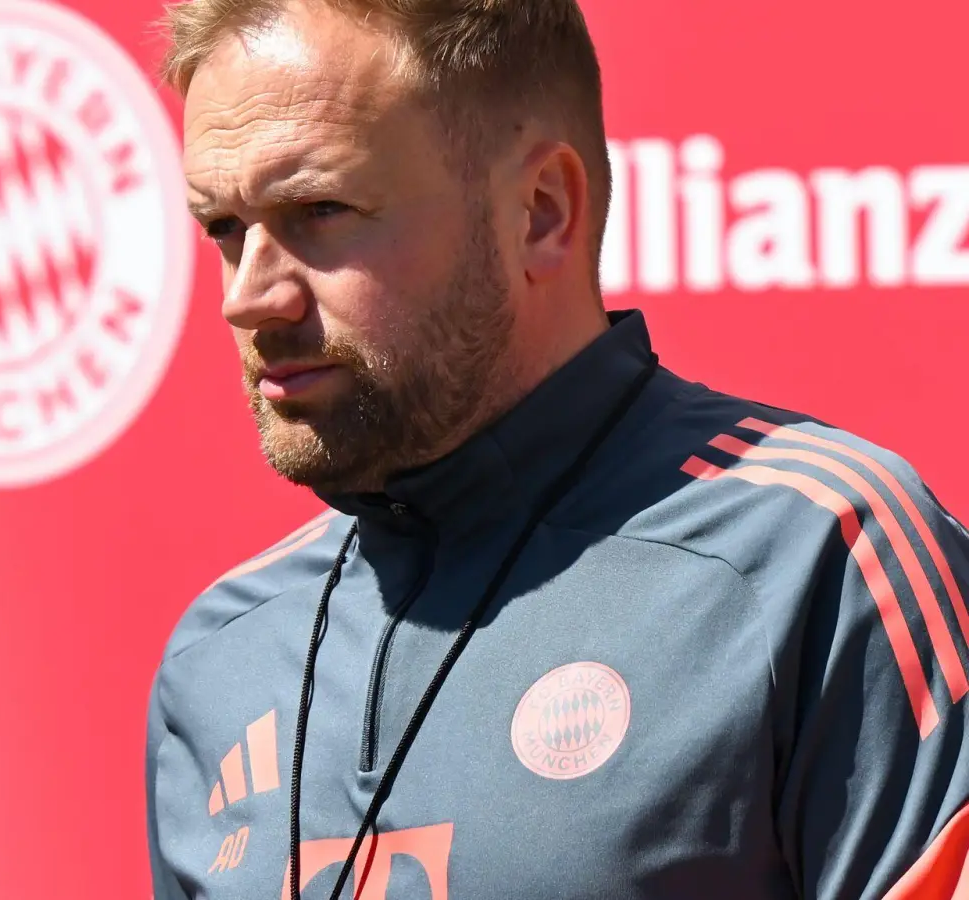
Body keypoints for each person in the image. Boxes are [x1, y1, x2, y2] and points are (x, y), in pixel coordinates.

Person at [142, 0, 969, 898]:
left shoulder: (820, 557)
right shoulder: (221, 654)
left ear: (540, 212)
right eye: (223, 228)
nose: (248, 295)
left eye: (320, 210)